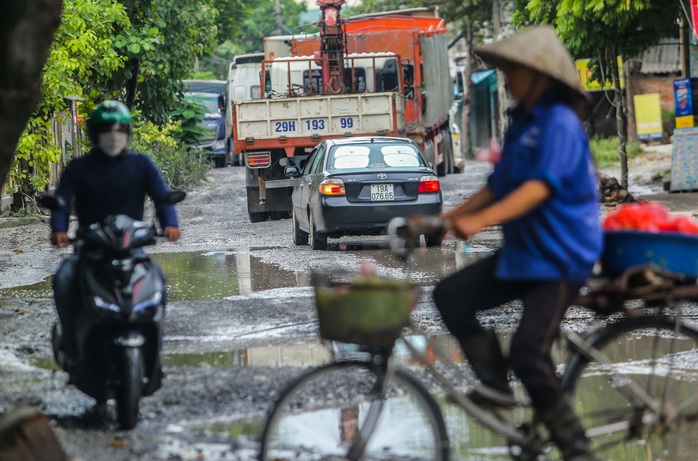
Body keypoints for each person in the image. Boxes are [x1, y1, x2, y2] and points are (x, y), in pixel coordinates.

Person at [430, 25, 602, 461]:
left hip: (560, 258)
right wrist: (448, 219)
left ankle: (578, 451)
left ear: (539, 73)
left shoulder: (560, 122)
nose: (506, 78)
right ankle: (495, 386)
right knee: (449, 295)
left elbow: (537, 188)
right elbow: (500, 184)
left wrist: (480, 222)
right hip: (524, 255)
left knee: (529, 353)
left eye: (513, 70)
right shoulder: (522, 122)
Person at [49, 100, 181, 378]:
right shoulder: (78, 167)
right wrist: (59, 229)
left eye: (119, 128)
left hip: (131, 250)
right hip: (90, 251)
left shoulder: (141, 164)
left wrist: (170, 224)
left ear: (128, 132)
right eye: (107, 129)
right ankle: (72, 349)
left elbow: (162, 196)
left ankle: (155, 355)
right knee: (62, 280)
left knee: (159, 281)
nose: (113, 134)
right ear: (95, 134)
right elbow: (61, 201)